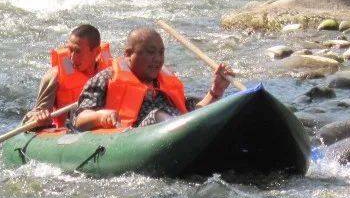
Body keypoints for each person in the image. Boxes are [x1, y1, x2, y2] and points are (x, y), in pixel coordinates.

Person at [70, 26, 233, 130]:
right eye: (150, 52)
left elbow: (192, 113)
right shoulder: (106, 78)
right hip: (140, 133)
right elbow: (80, 119)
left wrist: (215, 91)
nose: (158, 59)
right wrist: (100, 116)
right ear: (128, 54)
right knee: (157, 115)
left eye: (161, 52)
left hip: (178, 126)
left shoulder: (165, 80)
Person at [23, 24, 111, 129]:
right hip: (68, 134)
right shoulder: (54, 76)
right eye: (70, 50)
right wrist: (39, 118)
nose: (72, 58)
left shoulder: (110, 73)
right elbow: (35, 114)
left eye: (78, 51)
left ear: (96, 52)